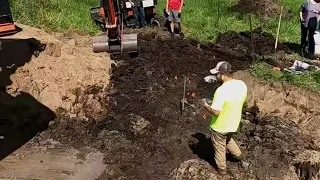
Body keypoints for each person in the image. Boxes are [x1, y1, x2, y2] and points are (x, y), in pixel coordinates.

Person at [201, 61, 248, 175]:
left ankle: (222, 170)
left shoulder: (221, 91)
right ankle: (239, 156)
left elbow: (216, 112)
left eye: (217, 74)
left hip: (220, 126)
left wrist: (206, 106)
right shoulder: (242, 84)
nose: (216, 76)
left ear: (223, 74)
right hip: (233, 123)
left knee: (219, 147)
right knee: (227, 139)